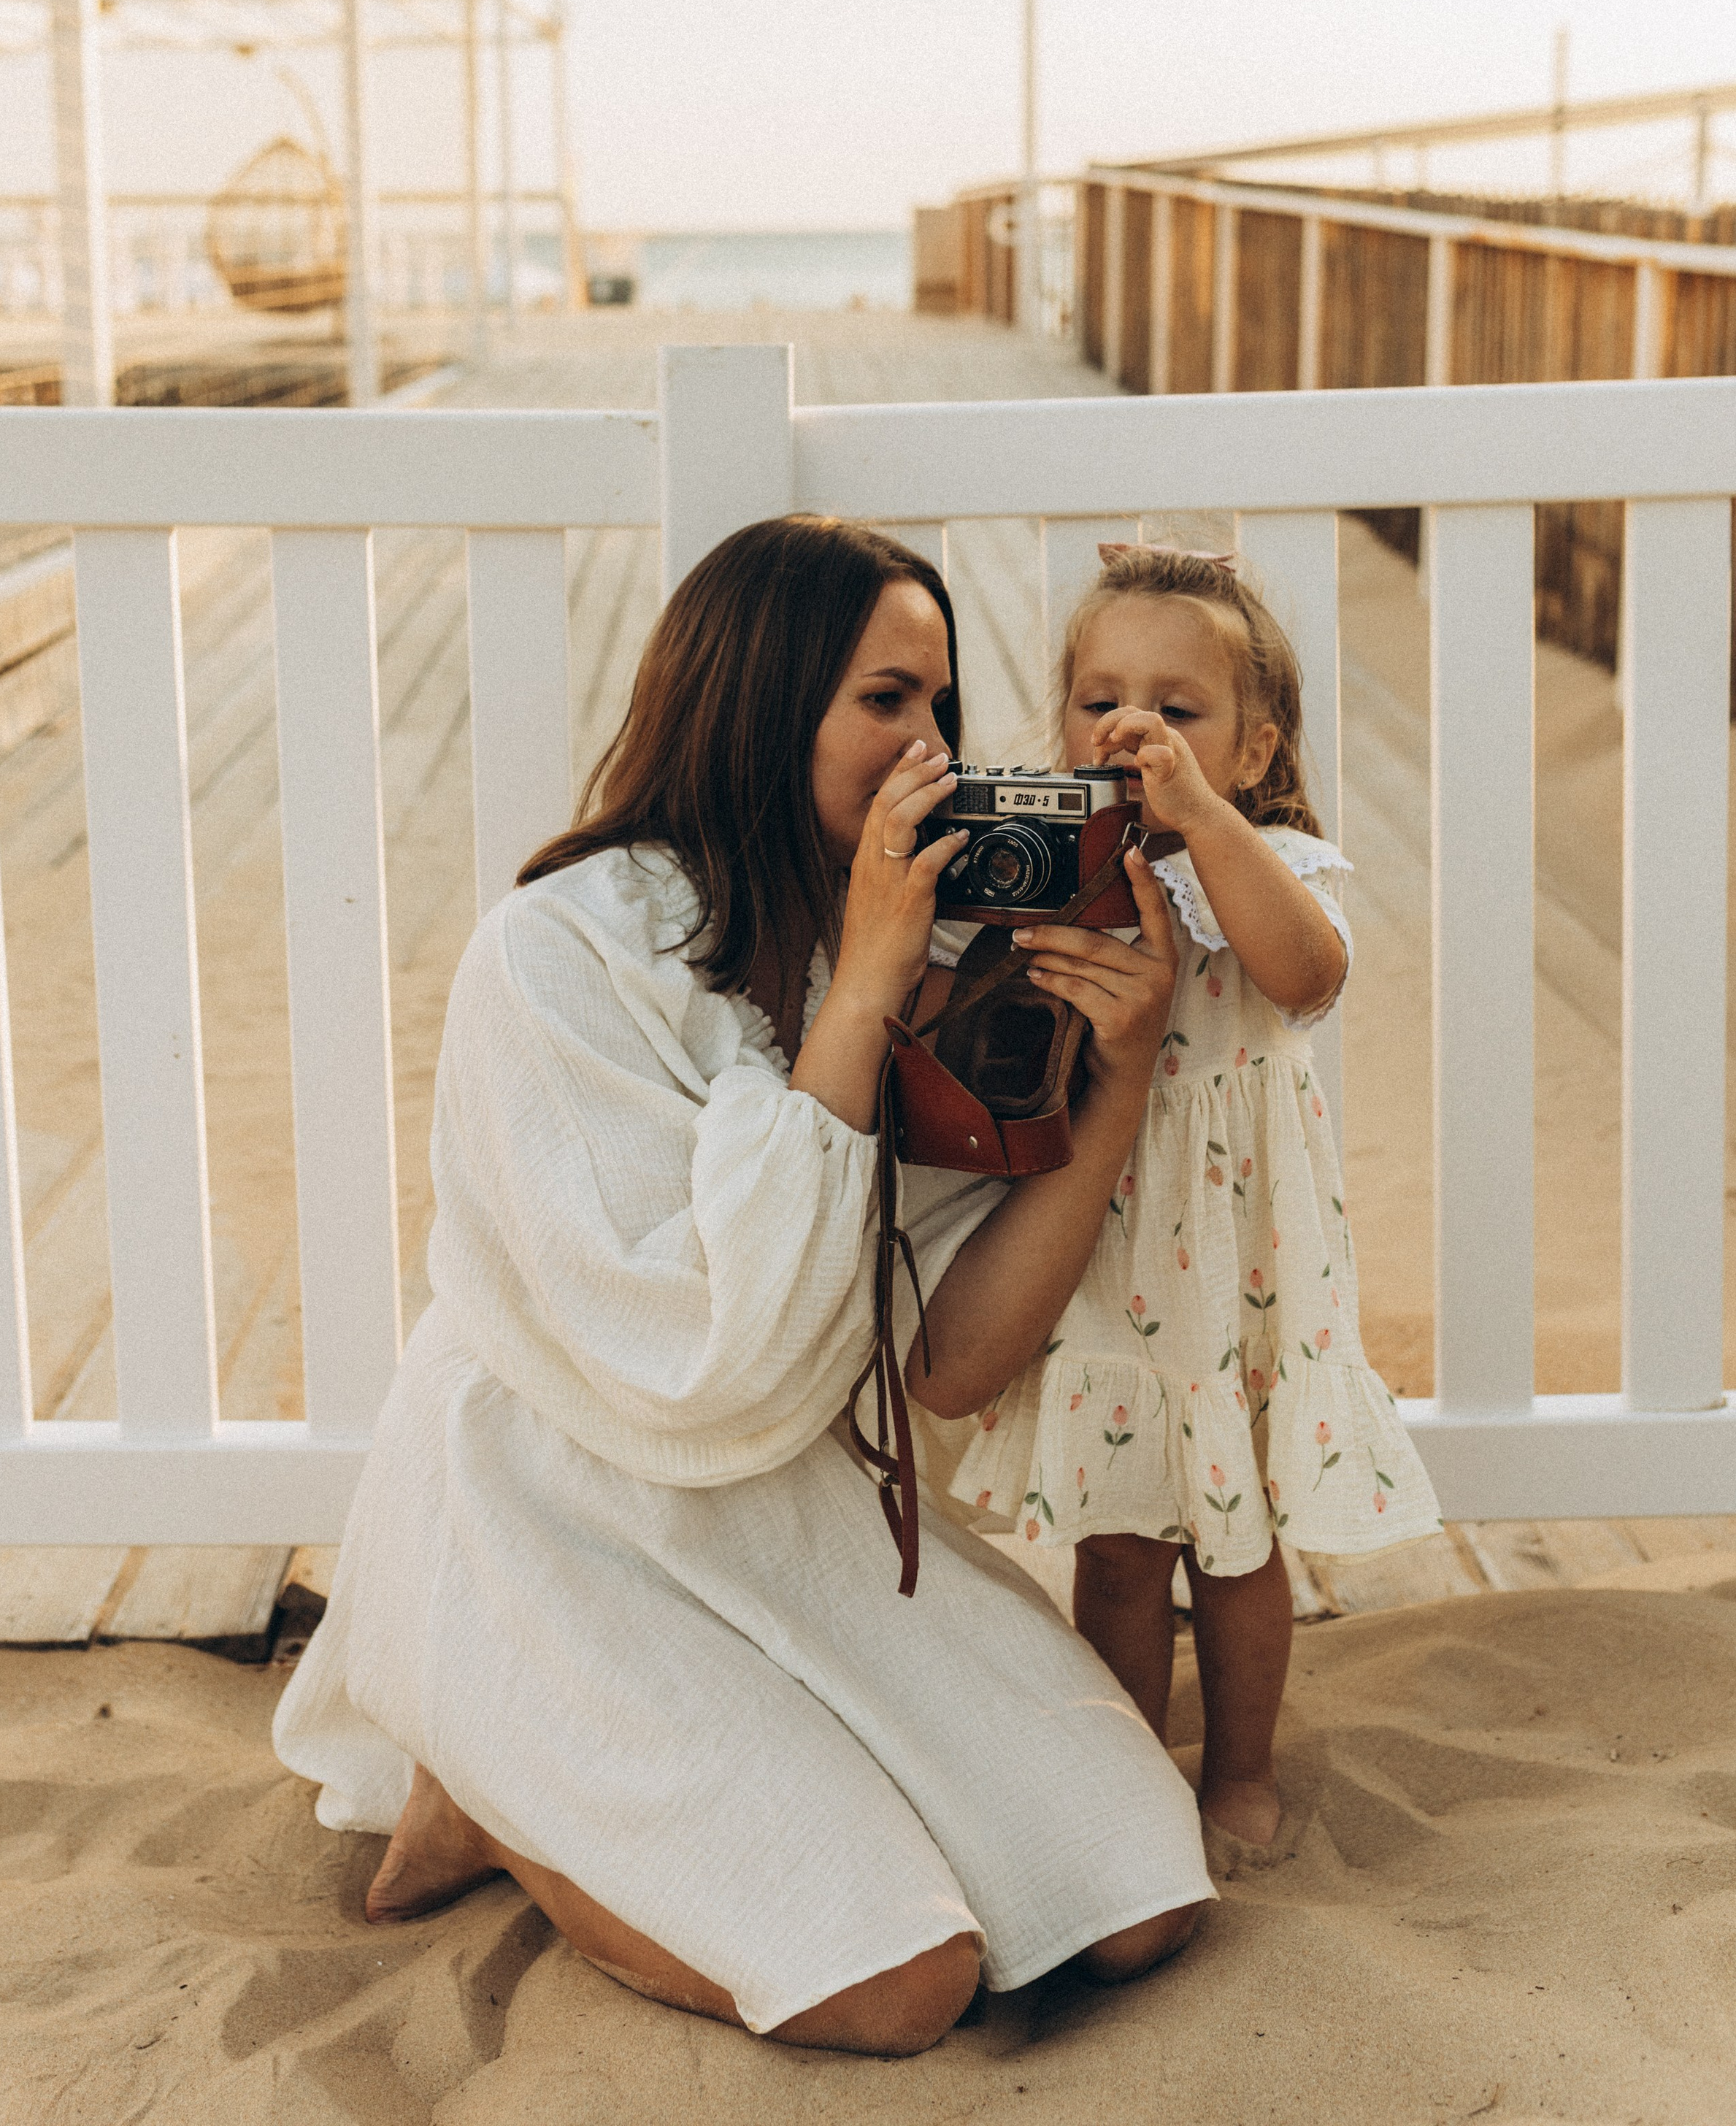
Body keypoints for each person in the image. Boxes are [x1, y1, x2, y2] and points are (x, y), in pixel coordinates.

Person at [274, 515, 1213, 2055]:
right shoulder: (558, 953)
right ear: (764, 699)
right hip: (556, 1497)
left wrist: (1114, 1079)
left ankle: (589, 1779)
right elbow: (699, 1366)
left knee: (1131, 1898)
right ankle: (497, 1793)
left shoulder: (943, 939)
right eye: (882, 700)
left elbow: (953, 1365)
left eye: (941, 706)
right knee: (889, 1984)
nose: (928, 744)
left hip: (788, 1502)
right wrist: (859, 989)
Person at [935, 543, 1441, 1865]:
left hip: (1238, 1257)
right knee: (1118, 1539)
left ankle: (1241, 1767)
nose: (1132, 727)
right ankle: (1127, 1763)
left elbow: (1306, 974)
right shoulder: (1067, 870)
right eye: (1100, 697)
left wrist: (1204, 822)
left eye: (1178, 706)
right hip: (1104, 1249)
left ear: (1258, 749)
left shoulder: (1271, 861)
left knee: (1239, 1536)